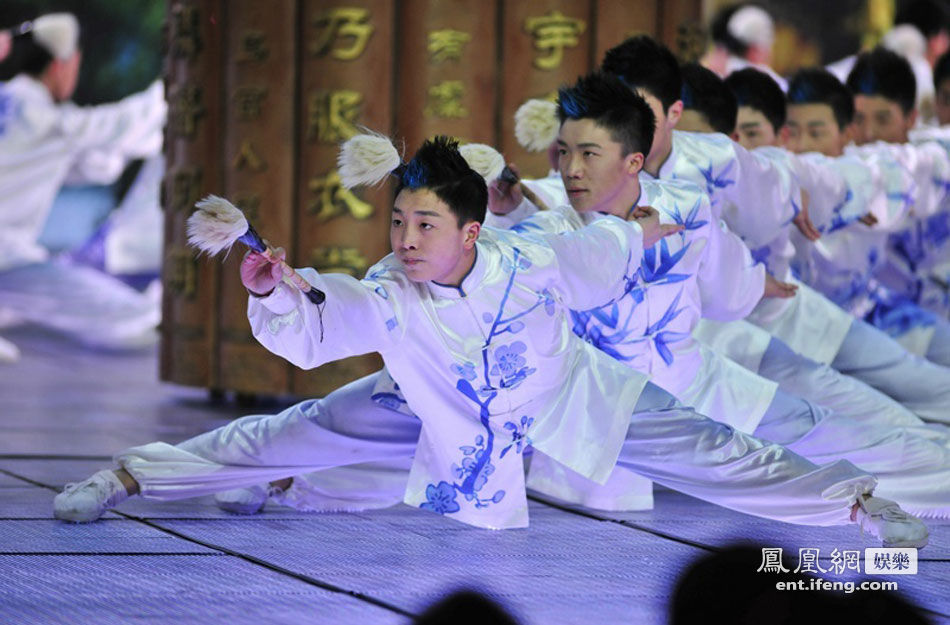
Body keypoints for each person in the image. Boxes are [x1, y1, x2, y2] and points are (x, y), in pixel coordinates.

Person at [54, 131, 925, 547]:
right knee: (292, 430)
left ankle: (857, 504)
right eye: (398, 221)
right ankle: (130, 476)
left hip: (567, 394)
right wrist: (275, 287)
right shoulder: (392, 290)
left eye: (424, 224)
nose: (404, 239)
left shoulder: (533, 256)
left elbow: (605, 248)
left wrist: (646, 233)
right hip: (441, 406)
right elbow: (328, 312)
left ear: (471, 231)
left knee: (719, 451)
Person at [604, 35, 950, 425]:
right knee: (843, 429)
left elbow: (820, 179)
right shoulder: (608, 180)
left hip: (825, 313)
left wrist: (830, 199)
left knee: (896, 420)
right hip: (722, 345)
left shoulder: (744, 163)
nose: (629, 125)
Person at [0, 13, 165, 359]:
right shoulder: (45, 119)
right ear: (61, 66)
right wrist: (174, 84)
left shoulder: (13, 103)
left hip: (10, 263)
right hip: (8, 262)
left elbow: (88, 166)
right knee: (134, 317)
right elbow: (124, 125)